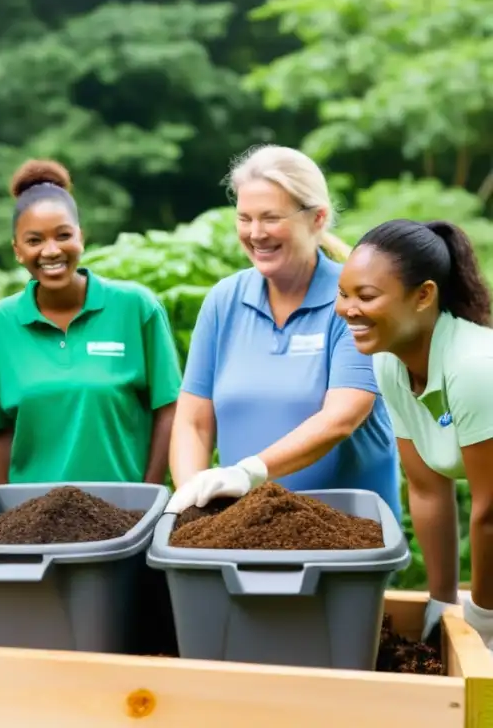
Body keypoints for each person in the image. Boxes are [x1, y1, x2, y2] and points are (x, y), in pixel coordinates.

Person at [164, 144, 400, 520]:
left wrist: (248, 472)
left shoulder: (358, 299)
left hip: (348, 532)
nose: (255, 233)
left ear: (318, 218)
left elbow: (341, 417)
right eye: (244, 218)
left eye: (270, 218)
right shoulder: (224, 301)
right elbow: (193, 421)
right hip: (246, 530)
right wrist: (193, 502)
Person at [0, 159, 182, 487]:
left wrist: (150, 494)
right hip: (31, 520)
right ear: (17, 250)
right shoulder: (1, 323)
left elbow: (170, 409)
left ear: (81, 237)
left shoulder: (136, 307)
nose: (51, 250)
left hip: (125, 514)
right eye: (34, 240)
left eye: (63, 235)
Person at [336, 218, 493, 650]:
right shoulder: (391, 361)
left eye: (366, 296)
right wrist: (441, 602)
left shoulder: (477, 368)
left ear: (424, 295)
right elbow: (426, 488)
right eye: (343, 293)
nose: (348, 308)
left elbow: (490, 512)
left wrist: (483, 616)